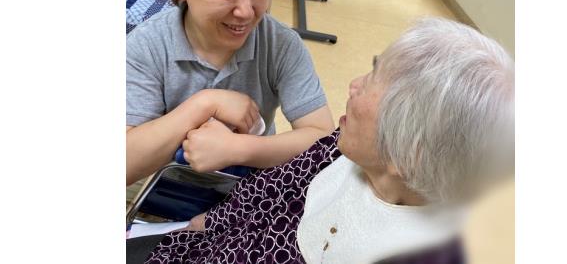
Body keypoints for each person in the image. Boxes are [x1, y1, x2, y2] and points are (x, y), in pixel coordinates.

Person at [127, 17, 515, 264]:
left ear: (408, 153)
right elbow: (267, 192)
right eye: (372, 68)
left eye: (374, 83)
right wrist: (202, 225)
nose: (353, 85)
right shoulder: (340, 148)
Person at [126, 0, 335, 186]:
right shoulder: (148, 44)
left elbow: (322, 140)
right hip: (164, 194)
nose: (247, 11)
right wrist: (204, 104)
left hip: (248, 198)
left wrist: (238, 149)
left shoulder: (280, 44)